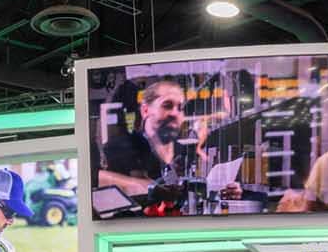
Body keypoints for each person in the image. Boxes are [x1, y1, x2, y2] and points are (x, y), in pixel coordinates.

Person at [98, 79, 240, 209]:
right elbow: (102, 184)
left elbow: (194, 188)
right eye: (167, 105)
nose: (175, 113)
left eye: (180, 108)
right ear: (145, 110)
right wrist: (152, 189)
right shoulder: (123, 146)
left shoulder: (184, 148)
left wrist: (223, 189)